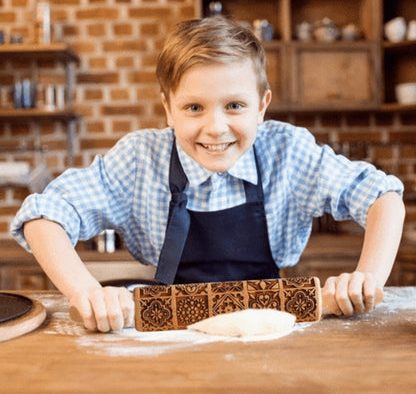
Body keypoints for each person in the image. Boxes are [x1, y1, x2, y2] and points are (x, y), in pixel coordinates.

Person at [11, 17, 405, 332]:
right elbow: (43, 215)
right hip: (171, 335)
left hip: (269, 329)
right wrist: (86, 292)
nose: (216, 128)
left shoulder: (289, 152)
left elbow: (382, 196)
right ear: (168, 109)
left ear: (262, 106)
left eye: (234, 105)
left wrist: (366, 277)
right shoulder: (139, 159)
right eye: (194, 108)